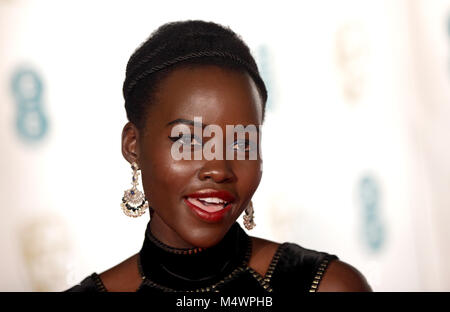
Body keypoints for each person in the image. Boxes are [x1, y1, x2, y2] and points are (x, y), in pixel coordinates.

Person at [66, 20, 372, 293]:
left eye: (241, 144)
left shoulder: (326, 286)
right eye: (189, 140)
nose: (219, 168)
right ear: (133, 144)